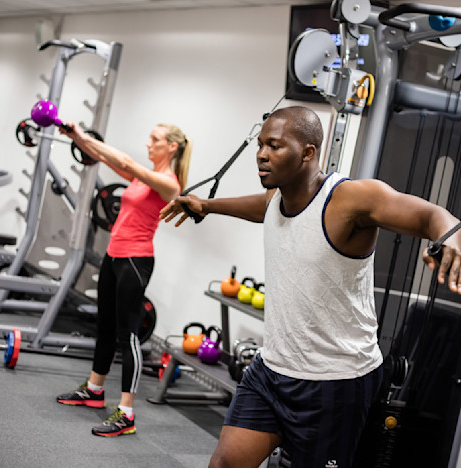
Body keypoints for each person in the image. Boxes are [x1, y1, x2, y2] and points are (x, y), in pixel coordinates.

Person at [159, 105, 461, 468]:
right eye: (260, 145)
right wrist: (206, 205)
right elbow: (262, 208)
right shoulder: (278, 196)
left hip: (334, 380)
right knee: (224, 463)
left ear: (308, 152)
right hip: (272, 369)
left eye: (274, 145)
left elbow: (428, 215)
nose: (262, 154)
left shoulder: (350, 200)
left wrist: (450, 234)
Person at [56, 122, 192, 437]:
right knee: (104, 325)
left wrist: (84, 136)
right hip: (114, 256)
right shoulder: (143, 177)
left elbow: (126, 163)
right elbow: (108, 161)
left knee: (126, 334)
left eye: (155, 139)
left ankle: (127, 412)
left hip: (135, 260)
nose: (149, 143)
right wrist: (79, 139)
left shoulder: (168, 183)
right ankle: (94, 389)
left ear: (171, 147)